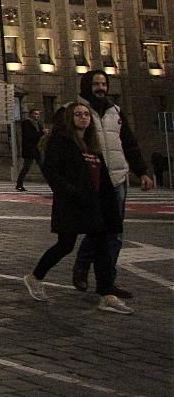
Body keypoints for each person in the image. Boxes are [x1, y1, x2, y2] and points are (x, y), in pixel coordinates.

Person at [23, 102, 128, 313]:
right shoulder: (60, 142)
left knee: (101, 247)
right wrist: (72, 193)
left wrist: (107, 202)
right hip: (71, 203)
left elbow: (102, 176)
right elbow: (53, 174)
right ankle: (35, 277)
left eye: (86, 114)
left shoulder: (92, 143)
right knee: (65, 245)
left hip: (93, 203)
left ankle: (106, 294)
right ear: (70, 119)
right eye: (78, 114)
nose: (83, 118)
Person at [71, 70, 152, 297]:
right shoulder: (77, 111)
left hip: (117, 179)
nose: (100, 88)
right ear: (87, 86)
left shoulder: (115, 111)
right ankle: (83, 266)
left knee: (114, 232)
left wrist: (142, 172)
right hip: (93, 180)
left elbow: (129, 143)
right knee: (97, 228)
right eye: (96, 83)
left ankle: (107, 282)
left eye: (103, 83)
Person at [16, 108, 44, 191]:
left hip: (37, 148)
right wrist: (41, 133)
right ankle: (19, 184)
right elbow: (30, 136)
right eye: (35, 114)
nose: (37, 116)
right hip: (29, 149)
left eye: (38, 114)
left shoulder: (38, 124)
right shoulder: (26, 123)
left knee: (43, 166)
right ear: (31, 114)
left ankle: (52, 183)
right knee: (26, 167)